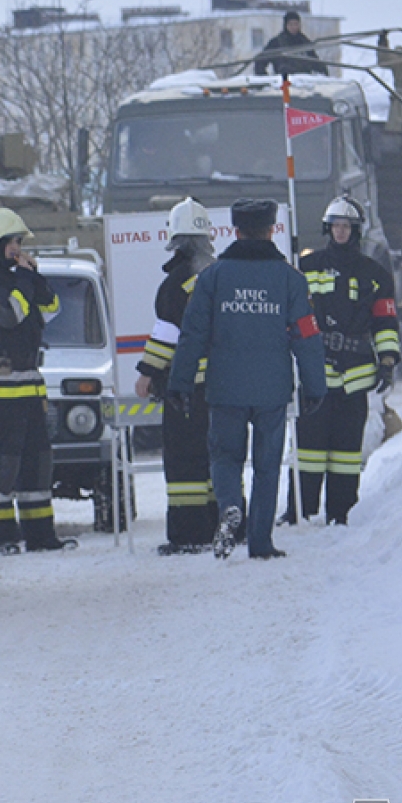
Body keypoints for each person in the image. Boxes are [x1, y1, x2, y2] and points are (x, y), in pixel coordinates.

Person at [166, 198, 326, 560]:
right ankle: (261, 542)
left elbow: (192, 335)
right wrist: (315, 386)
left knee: (224, 457)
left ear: (235, 232)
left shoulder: (213, 277)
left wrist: (180, 383)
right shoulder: (290, 279)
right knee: (267, 465)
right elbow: (307, 335)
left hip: (225, 386)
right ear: (271, 231)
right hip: (272, 388)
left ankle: (228, 507)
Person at [292, 196, 401, 525]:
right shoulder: (306, 268)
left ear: (356, 230)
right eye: (335, 226)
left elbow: (385, 322)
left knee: (346, 451)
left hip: (356, 372)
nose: (340, 232)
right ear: (328, 228)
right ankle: (301, 510)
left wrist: (388, 359)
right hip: (316, 371)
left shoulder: (375, 273)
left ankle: (342, 512)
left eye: (346, 226)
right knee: (308, 449)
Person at [0, 208, 72, 553]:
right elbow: (9, 315)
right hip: (1, 391)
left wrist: (36, 278)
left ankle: (41, 535)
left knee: (37, 463)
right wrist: (24, 282)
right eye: (13, 242)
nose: (18, 248)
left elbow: (51, 309)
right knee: (2, 462)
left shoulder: (19, 281)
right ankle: (1, 535)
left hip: (30, 387)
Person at [134, 198, 219, 553]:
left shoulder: (176, 284)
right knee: (216, 457)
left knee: (184, 461)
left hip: (186, 390)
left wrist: (146, 375)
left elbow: (167, 335)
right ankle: (221, 526)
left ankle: (187, 534)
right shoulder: (218, 276)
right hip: (220, 389)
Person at [254, 10, 328, 77]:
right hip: (284, 83)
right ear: (286, 25)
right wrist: (266, 81)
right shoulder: (276, 42)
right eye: (290, 24)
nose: (294, 27)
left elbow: (315, 61)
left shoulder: (304, 41)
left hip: (304, 82)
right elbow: (260, 61)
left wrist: (324, 74)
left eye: (296, 24)